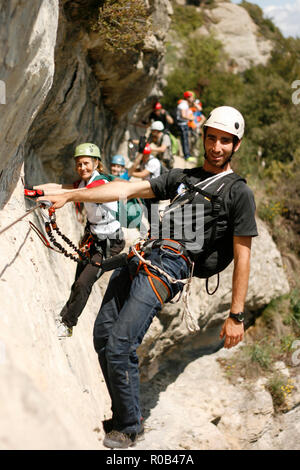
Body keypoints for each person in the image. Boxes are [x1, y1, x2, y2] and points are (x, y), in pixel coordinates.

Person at [40, 107, 258, 448]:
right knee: (102, 336)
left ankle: (127, 428)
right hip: (142, 252)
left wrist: (236, 314)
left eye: (225, 141)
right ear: (204, 138)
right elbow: (122, 189)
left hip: (169, 266)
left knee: (120, 344)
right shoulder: (182, 178)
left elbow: (243, 254)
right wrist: (71, 195)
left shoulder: (238, 193)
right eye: (212, 138)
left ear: (236, 145)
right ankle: (123, 411)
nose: (216, 147)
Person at [27, 142, 125, 337]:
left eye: (87, 163)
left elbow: (74, 194)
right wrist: (34, 190)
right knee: (77, 281)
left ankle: (68, 324)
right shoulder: (83, 184)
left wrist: (63, 197)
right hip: (93, 238)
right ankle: (64, 315)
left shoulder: (100, 184)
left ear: (97, 163)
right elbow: (59, 187)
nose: (82, 168)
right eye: (79, 164)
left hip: (110, 244)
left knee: (84, 283)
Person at [176, 91, 196, 162]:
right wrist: (191, 118)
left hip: (184, 124)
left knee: (186, 140)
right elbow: (183, 115)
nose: (193, 98)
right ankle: (186, 156)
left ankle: (187, 155)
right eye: (192, 97)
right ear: (188, 97)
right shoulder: (183, 105)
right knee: (185, 140)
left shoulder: (185, 104)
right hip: (182, 124)